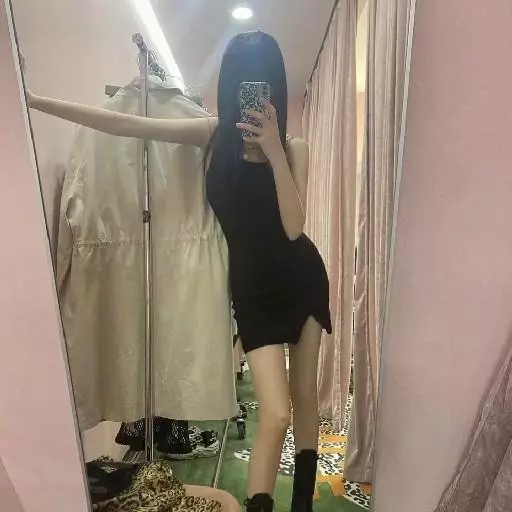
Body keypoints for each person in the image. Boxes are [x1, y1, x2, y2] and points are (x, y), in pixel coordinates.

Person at [27, 31, 332, 512]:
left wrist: (275, 151)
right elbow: (127, 125)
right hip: (252, 290)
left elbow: (295, 229)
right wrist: (31, 100)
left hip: (302, 279)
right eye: (243, 80)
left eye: (264, 80)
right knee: (275, 414)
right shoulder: (213, 136)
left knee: (305, 400)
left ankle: (302, 506)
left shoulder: (296, 148)